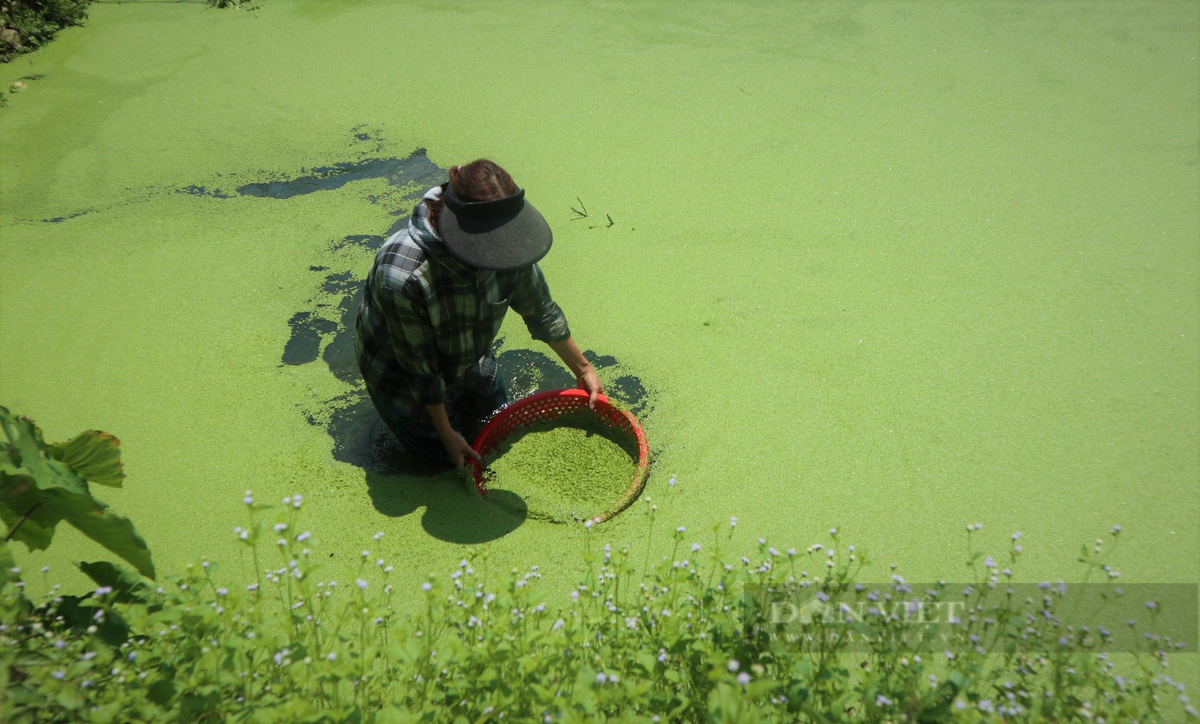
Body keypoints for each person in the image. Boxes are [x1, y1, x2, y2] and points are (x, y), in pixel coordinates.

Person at [353, 159, 603, 470]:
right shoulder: (405, 275)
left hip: (470, 356)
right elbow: (422, 372)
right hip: (403, 379)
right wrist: (446, 432)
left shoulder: (509, 240)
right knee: (445, 463)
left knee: (500, 431)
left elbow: (540, 310)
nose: (502, 252)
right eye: (491, 245)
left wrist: (583, 369)